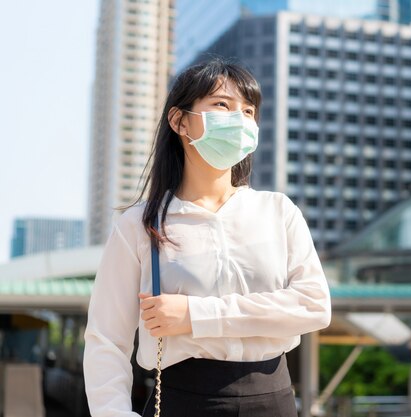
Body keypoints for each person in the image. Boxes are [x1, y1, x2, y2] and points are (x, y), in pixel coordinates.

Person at [83, 57, 332, 417]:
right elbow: (106, 339)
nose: (240, 120)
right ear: (179, 120)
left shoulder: (278, 212)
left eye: (248, 111)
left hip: (275, 399)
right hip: (184, 400)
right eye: (221, 105)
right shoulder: (141, 224)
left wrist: (196, 315)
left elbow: (313, 306)